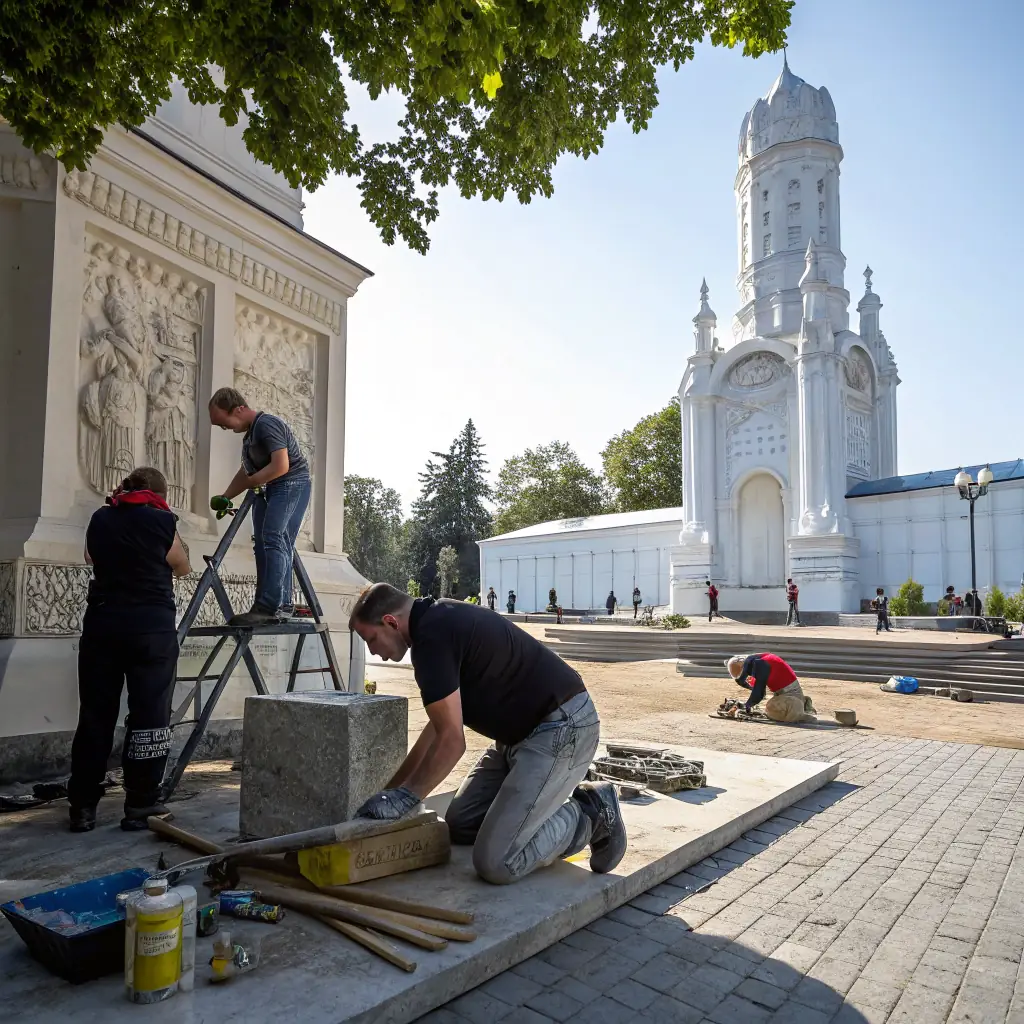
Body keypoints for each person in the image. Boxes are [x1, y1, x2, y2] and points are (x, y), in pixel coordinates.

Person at [348, 584, 627, 884]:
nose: (373, 651)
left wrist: (407, 797)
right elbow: (437, 729)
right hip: (519, 737)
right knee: (461, 824)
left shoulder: (432, 639)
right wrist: (391, 792)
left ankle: (591, 813)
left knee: (497, 861)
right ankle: (531, 811)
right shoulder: (436, 621)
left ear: (391, 622)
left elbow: (452, 742)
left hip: (563, 730)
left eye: (371, 639)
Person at [67, 467, 192, 833]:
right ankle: (140, 803)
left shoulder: (101, 517)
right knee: (150, 714)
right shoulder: (163, 522)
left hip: (103, 626)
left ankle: (82, 806)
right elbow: (182, 566)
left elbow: (90, 557)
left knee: (95, 715)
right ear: (160, 495)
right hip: (151, 630)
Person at [208, 387, 311, 626]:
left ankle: (270, 606)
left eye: (224, 422)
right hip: (271, 488)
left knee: (274, 538)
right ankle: (274, 604)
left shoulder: (267, 424)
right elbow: (246, 472)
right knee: (264, 543)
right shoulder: (250, 437)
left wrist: (253, 482)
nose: (225, 428)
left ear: (239, 409)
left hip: (290, 483)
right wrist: (226, 496)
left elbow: (281, 465)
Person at [726, 652, 817, 723]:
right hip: (791, 695)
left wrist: (747, 706)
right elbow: (757, 687)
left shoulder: (760, 665)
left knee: (770, 707)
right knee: (768, 704)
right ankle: (802, 705)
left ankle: (800, 714)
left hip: (791, 700)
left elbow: (759, 694)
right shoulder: (759, 659)